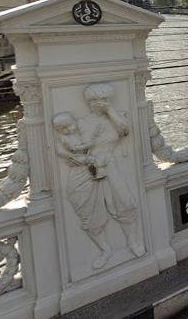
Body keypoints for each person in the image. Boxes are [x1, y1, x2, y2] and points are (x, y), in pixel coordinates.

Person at [56, 83, 146, 270]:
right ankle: (105, 250)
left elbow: (124, 131)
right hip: (86, 168)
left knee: (125, 202)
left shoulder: (117, 118)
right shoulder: (80, 123)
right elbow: (62, 145)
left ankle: (132, 243)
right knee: (87, 211)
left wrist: (110, 110)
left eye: (107, 99)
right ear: (91, 102)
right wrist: (70, 157)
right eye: (100, 100)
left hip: (108, 163)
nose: (104, 103)